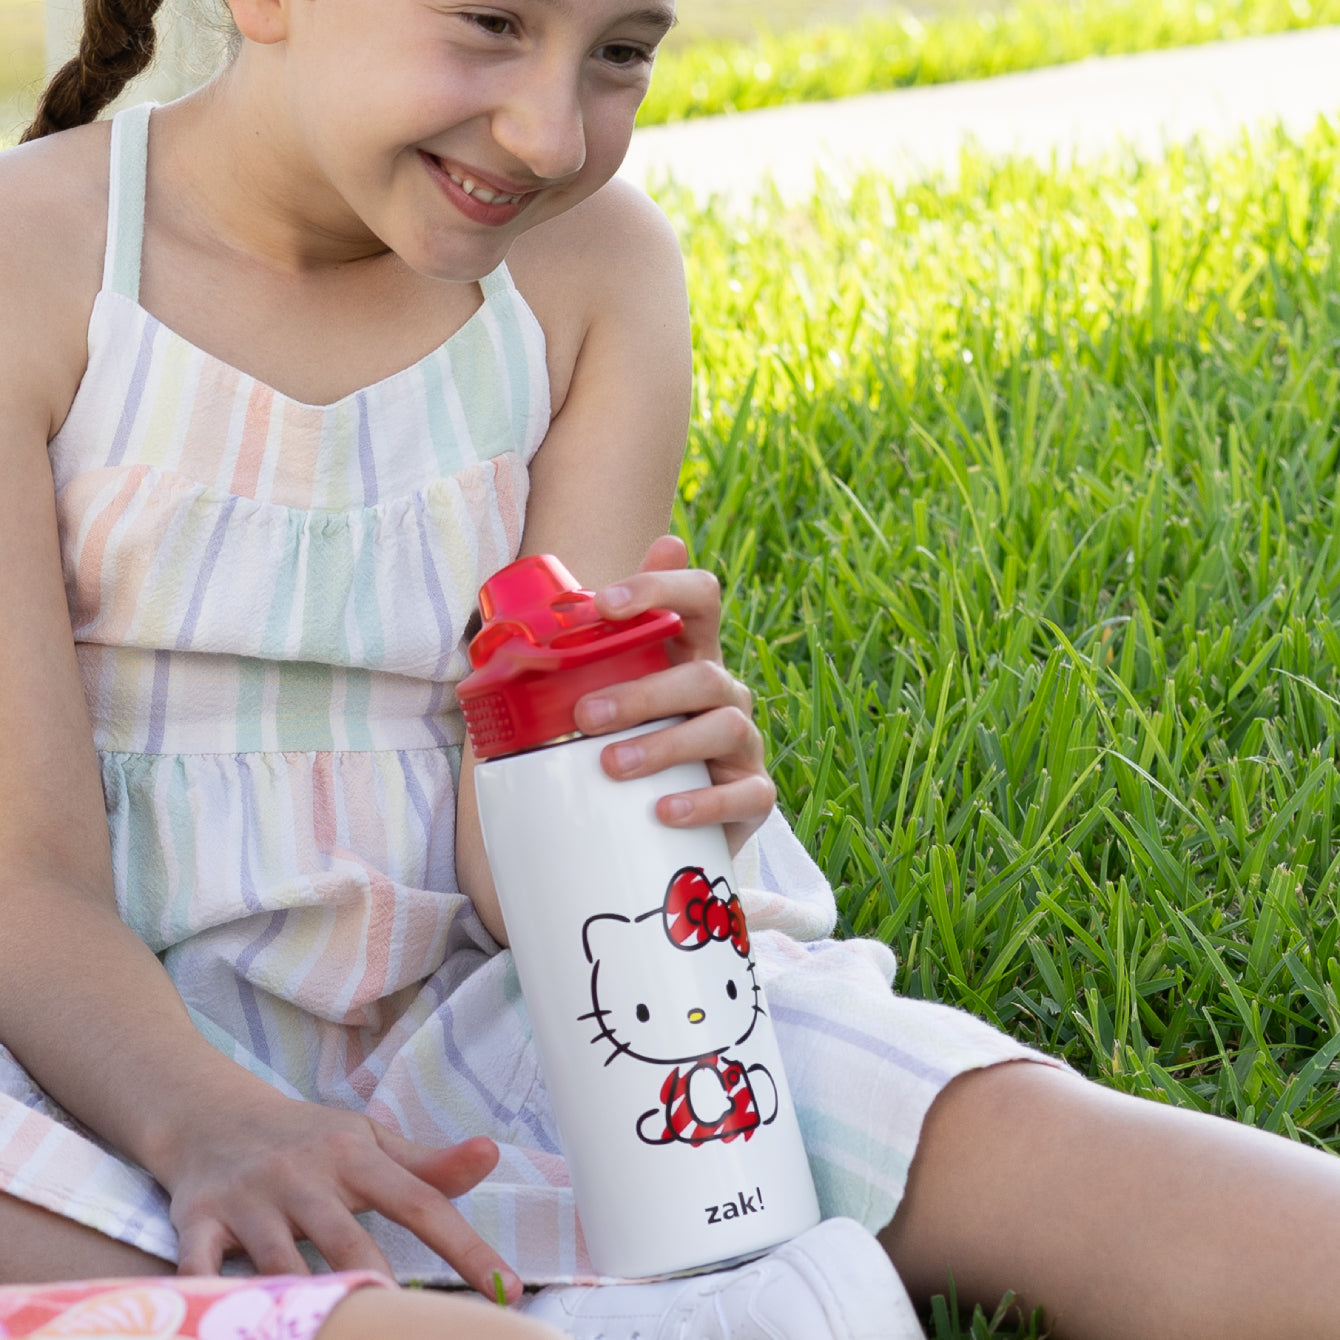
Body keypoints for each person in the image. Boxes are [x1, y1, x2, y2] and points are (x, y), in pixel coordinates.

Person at [3, 2, 1340, 1338]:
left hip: (515, 1002)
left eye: (620, 53)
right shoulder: (35, 265)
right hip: (80, 1044)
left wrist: (628, 768)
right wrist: (213, 1121)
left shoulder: (590, 271)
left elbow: (520, 883)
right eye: (487, 22)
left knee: (998, 1132)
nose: (548, 130)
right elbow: (22, 873)